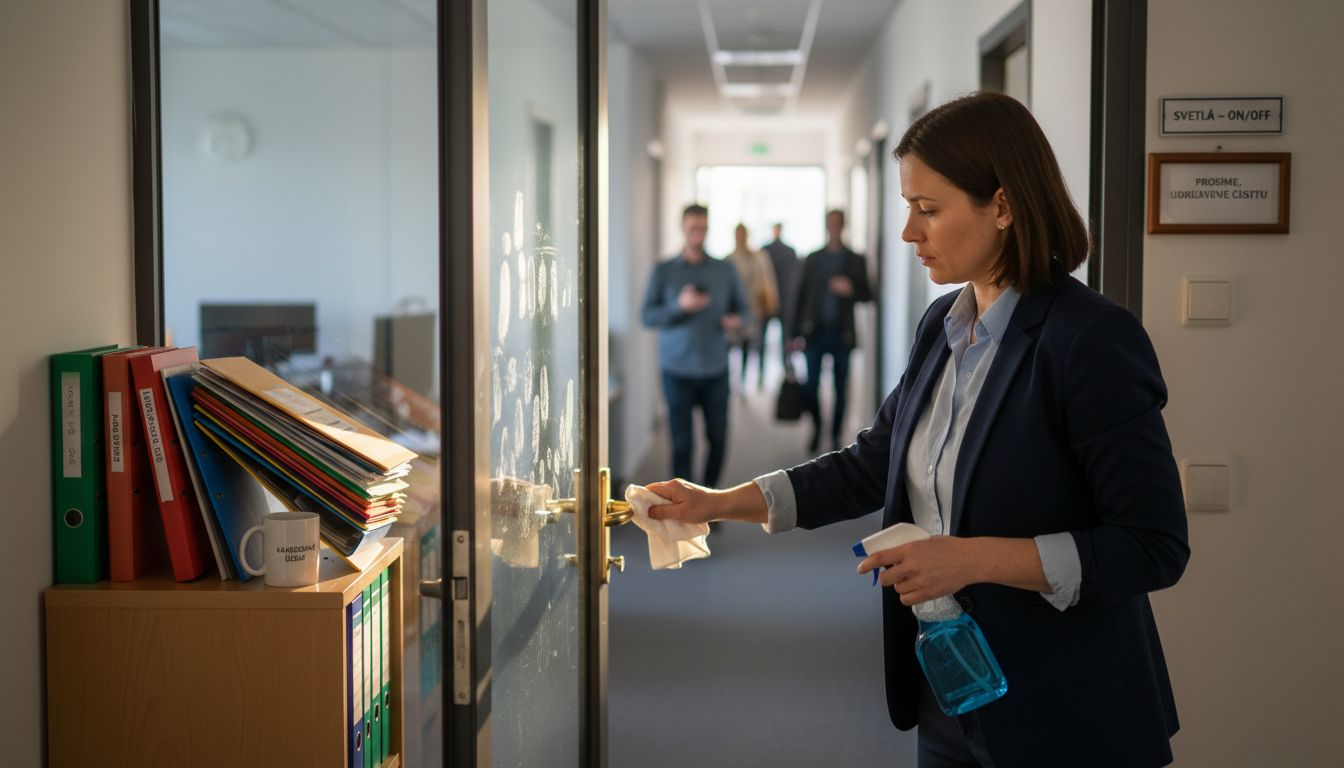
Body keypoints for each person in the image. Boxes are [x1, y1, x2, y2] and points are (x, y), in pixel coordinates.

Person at [644, 92, 1189, 768]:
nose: (909, 232)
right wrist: (718, 502)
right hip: (952, 691)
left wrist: (971, 558)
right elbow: (869, 464)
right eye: (908, 207)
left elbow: (1152, 545)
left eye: (927, 210)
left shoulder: (1090, 340)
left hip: (1067, 710)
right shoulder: (943, 326)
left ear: (1004, 206)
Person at [641, 204, 750, 489]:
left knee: (718, 437)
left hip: (715, 367)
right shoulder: (664, 271)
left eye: (702, 229)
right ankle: (685, 506)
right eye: (692, 229)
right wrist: (679, 305)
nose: (698, 235)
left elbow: (747, 312)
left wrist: (734, 320)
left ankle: (711, 498)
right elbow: (648, 316)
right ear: (683, 228)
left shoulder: (724, 270)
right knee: (681, 442)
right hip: (677, 369)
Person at [787, 209, 873, 452]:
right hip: (814, 333)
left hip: (841, 334)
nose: (834, 227)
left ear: (843, 226)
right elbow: (799, 296)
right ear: (826, 226)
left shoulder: (856, 259)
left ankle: (835, 435)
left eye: (838, 223)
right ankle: (816, 427)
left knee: (840, 387)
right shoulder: (812, 259)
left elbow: (868, 294)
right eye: (830, 223)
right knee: (811, 386)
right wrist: (792, 335)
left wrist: (851, 289)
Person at [726, 223, 778, 390]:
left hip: (755, 308)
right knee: (735, 344)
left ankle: (756, 378)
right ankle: (735, 381)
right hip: (735, 310)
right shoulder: (729, 259)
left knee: (754, 344)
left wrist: (770, 302)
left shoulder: (758, 256)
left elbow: (768, 280)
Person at [761, 223, 799, 367]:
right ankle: (772, 369)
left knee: (785, 339)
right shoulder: (767, 250)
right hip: (770, 300)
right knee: (763, 340)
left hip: (783, 300)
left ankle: (786, 368)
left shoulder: (786, 251)